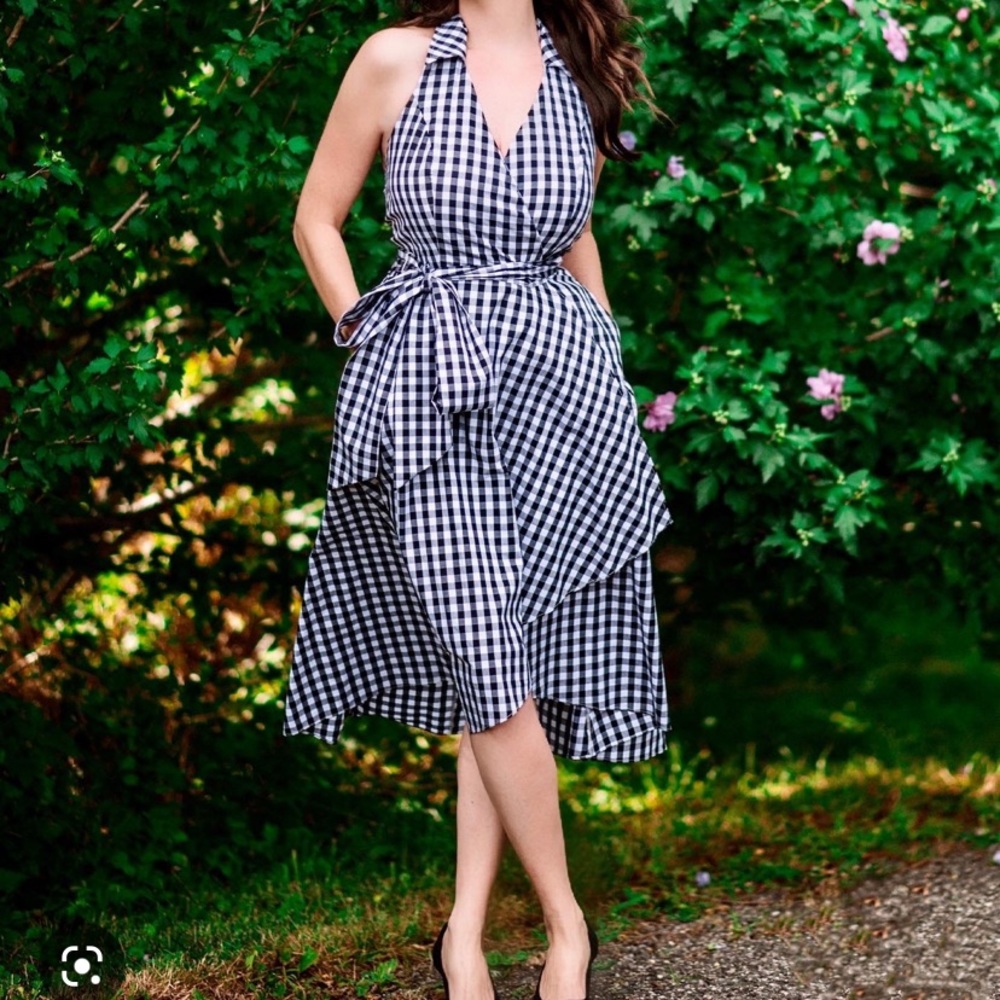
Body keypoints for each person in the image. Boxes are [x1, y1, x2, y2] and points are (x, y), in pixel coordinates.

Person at [283, 2, 674, 997]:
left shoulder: (576, 70)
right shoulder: (393, 60)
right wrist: (367, 331)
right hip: (430, 393)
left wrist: (607, 362)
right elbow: (314, 219)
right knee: (480, 642)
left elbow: (575, 238)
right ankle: (565, 924)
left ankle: (461, 934)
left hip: (558, 395)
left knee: (500, 662)